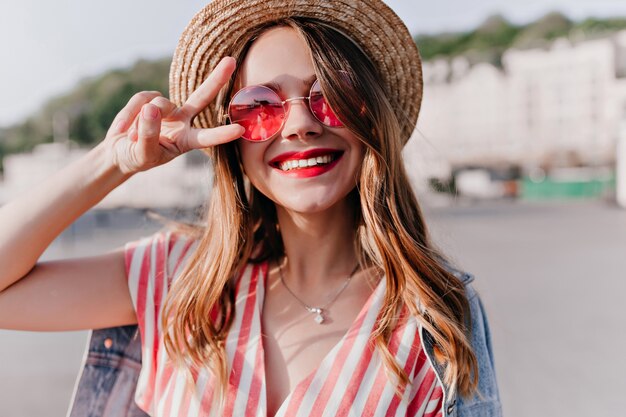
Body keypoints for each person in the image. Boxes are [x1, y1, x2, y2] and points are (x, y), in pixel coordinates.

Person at [0, 1, 502, 416]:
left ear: (369, 119)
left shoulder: (432, 317)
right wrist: (113, 162)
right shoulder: (179, 280)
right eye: (261, 105)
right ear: (231, 140)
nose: (300, 124)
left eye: (331, 95)